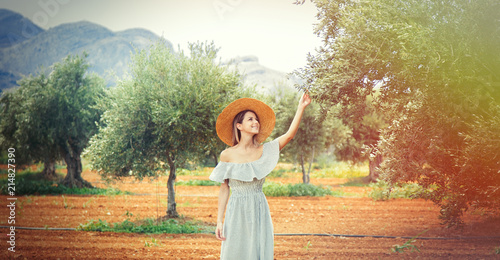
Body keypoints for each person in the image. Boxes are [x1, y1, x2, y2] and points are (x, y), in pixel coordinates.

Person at [209, 92, 311, 259]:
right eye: (250, 119)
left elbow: (289, 135)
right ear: (239, 126)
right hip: (236, 211)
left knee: (258, 252)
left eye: (256, 119)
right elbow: (224, 189)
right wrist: (219, 221)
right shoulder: (227, 155)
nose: (255, 122)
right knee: (235, 252)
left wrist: (301, 107)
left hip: (258, 208)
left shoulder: (265, 150)